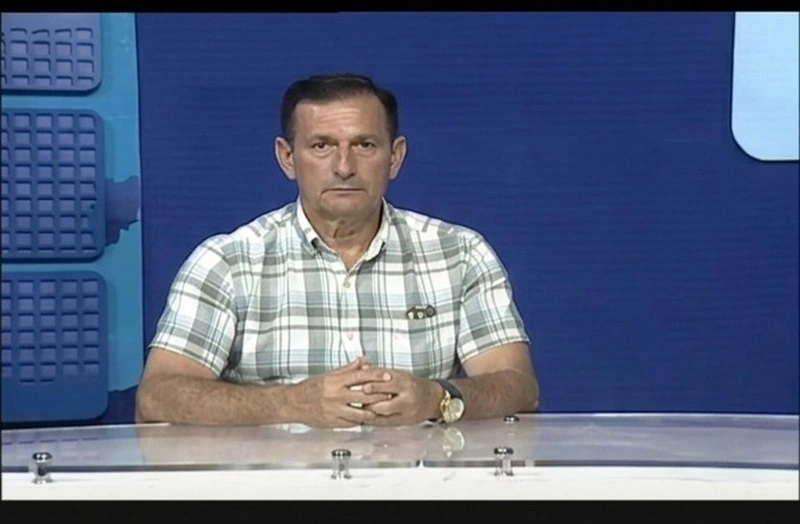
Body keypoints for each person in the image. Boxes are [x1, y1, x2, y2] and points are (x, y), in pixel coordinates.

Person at [135, 72, 539, 428]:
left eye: (364, 145)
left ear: (395, 157)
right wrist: (291, 404)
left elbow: (519, 387)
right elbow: (157, 397)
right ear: (287, 158)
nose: (344, 166)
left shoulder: (460, 255)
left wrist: (437, 398)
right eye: (322, 146)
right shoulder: (227, 262)